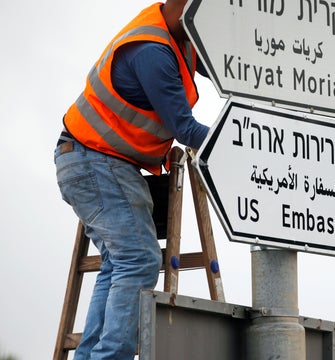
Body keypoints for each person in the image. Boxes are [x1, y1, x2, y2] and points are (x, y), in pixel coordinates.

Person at [53, 0, 209, 358]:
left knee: (120, 263)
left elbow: (223, 68)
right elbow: (184, 128)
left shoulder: (180, 37)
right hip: (95, 162)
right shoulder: (154, 52)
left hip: (93, 161)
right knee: (138, 259)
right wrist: (239, 141)